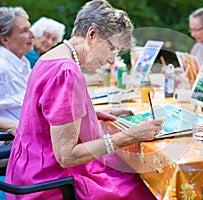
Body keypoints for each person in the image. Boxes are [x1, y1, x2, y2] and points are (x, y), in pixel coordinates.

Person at [5, 0, 163, 199]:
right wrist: (129, 137)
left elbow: (44, 115)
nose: (113, 60)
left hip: (27, 171)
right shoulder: (66, 72)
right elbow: (66, 155)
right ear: (92, 34)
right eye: (113, 49)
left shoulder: (51, 57)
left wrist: (87, 112)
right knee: (148, 187)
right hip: (50, 184)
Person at [0, 6, 34, 123]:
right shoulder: (2, 66)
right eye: (24, 31)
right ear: (5, 39)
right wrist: (12, 127)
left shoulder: (21, 61)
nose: (32, 35)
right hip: (11, 139)